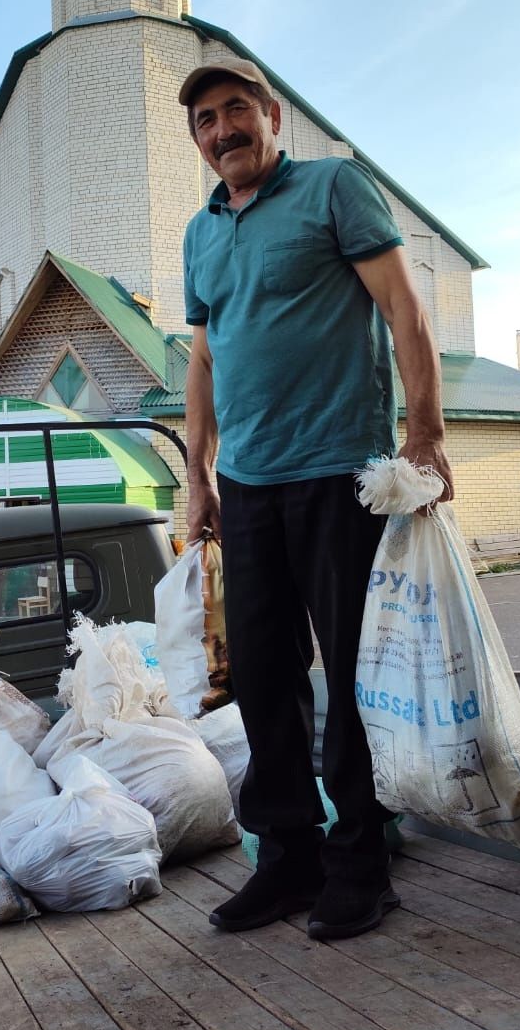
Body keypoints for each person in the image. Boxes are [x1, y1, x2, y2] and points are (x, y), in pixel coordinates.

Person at [180, 55, 453, 941]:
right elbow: (205, 357)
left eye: (235, 111)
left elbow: (403, 310)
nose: (222, 130)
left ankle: (362, 862)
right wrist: (198, 476)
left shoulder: (335, 188)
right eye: (205, 121)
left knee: (351, 672)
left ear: (270, 116)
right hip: (249, 487)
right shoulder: (200, 234)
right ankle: (287, 861)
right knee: (263, 682)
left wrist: (424, 436)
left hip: (341, 473)